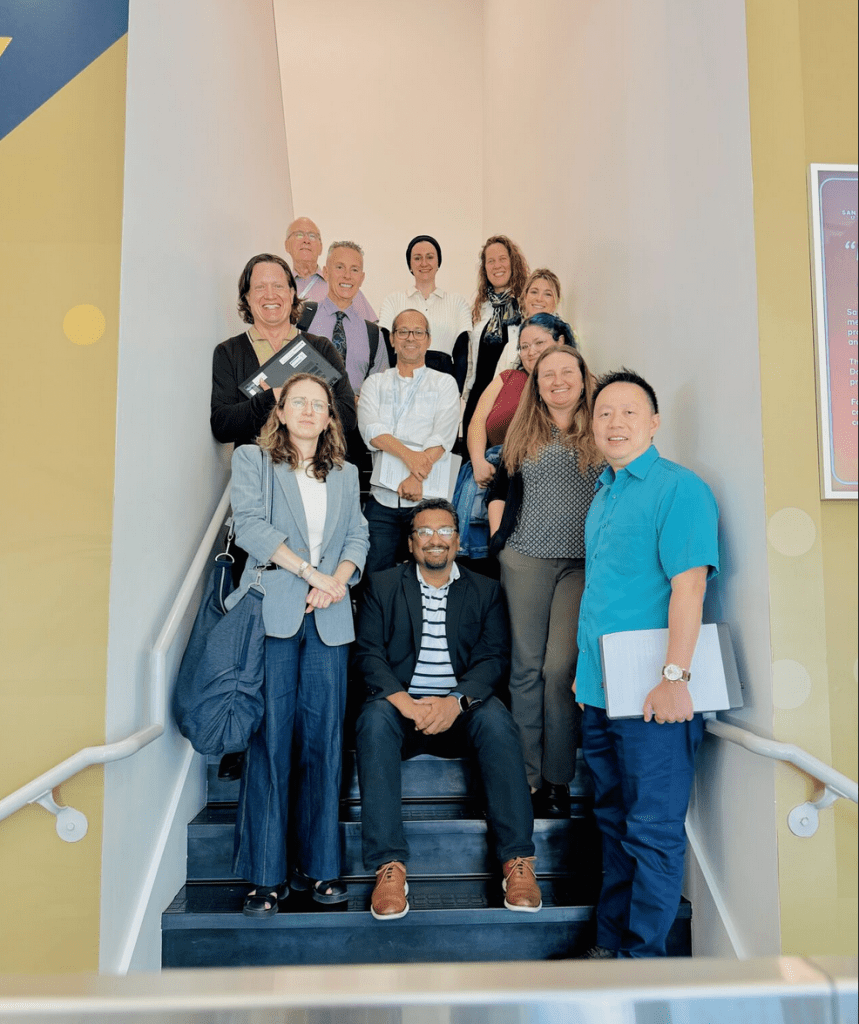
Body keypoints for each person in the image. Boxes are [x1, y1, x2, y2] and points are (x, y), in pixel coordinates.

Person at [575, 368, 719, 959]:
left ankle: (643, 967)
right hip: (600, 693)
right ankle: (610, 951)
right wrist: (584, 682)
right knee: (613, 827)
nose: (615, 423)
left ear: (654, 423)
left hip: (655, 695)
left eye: (629, 412)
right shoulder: (604, 494)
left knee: (652, 832)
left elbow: (690, 587)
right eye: (604, 413)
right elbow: (605, 594)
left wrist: (675, 678)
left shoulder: (679, 489)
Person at [353, 498, 541, 920]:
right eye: (424, 531)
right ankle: (389, 866)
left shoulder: (485, 590)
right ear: (410, 543)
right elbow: (368, 654)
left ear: (458, 541)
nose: (434, 539)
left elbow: (493, 657)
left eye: (444, 531)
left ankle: (517, 861)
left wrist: (455, 703)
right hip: (403, 711)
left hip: (461, 711)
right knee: (373, 720)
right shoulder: (382, 585)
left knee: (497, 720)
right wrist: (405, 703)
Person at [227, 373, 369, 917]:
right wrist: (312, 574)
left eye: (319, 404)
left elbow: (358, 535)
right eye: (298, 403)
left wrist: (336, 582)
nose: (309, 411)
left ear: (330, 416)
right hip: (274, 614)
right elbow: (250, 528)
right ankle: (266, 876)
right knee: (270, 742)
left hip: (329, 617)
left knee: (324, 742)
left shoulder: (346, 473)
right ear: (281, 411)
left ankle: (322, 867)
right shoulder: (253, 461)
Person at [487, 345, 602, 818]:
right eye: (547, 374)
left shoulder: (601, 427)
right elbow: (499, 488)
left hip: (582, 564)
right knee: (525, 668)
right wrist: (499, 541)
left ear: (583, 377)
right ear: (536, 384)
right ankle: (527, 778)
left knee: (559, 669)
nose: (557, 381)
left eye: (566, 372)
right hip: (526, 558)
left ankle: (558, 777)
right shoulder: (523, 428)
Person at [453, 314, 576, 564]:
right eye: (524, 346)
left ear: (560, 341)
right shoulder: (507, 378)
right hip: (488, 474)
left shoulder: (574, 384)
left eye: (539, 343)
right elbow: (477, 422)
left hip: (536, 484)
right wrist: (478, 461)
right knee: (481, 564)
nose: (531, 352)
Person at [210, 253, 357, 450]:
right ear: (247, 297)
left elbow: (348, 417)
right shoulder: (229, 352)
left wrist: (294, 397)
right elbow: (222, 426)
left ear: (291, 293)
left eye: (278, 286)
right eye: (260, 287)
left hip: (315, 465)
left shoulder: (321, 348)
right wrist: (271, 398)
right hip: (257, 467)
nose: (270, 295)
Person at [357, 309, 460, 573]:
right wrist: (410, 457)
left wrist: (415, 477)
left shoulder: (444, 383)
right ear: (392, 339)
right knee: (374, 575)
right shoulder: (374, 383)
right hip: (383, 500)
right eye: (403, 332)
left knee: (432, 573)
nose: (410, 338)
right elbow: (372, 431)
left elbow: (443, 436)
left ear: (428, 340)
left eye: (418, 332)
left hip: (429, 500)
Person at [378, 235, 472, 391]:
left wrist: (456, 393)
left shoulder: (457, 302)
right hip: (402, 384)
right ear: (410, 264)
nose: (424, 263)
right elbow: (385, 351)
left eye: (430, 257)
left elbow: (462, 355)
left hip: (443, 385)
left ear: (438, 262)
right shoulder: (393, 301)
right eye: (417, 258)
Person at [306, 241, 388, 397]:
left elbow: (380, 391)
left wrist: (361, 401)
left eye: (354, 270)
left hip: (353, 412)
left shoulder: (374, 335)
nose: (347, 276)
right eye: (339, 267)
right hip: (307, 409)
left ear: (362, 278)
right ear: (325, 272)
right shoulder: (303, 318)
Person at [285, 216, 377, 322]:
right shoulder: (281, 286)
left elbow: (371, 327)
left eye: (312, 236)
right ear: (287, 245)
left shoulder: (343, 285)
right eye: (299, 235)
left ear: (321, 247)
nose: (306, 240)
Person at [494, 269, 572, 375]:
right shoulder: (510, 347)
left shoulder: (565, 340)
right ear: (525, 297)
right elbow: (499, 383)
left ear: (556, 301)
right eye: (534, 292)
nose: (539, 299)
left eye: (547, 294)